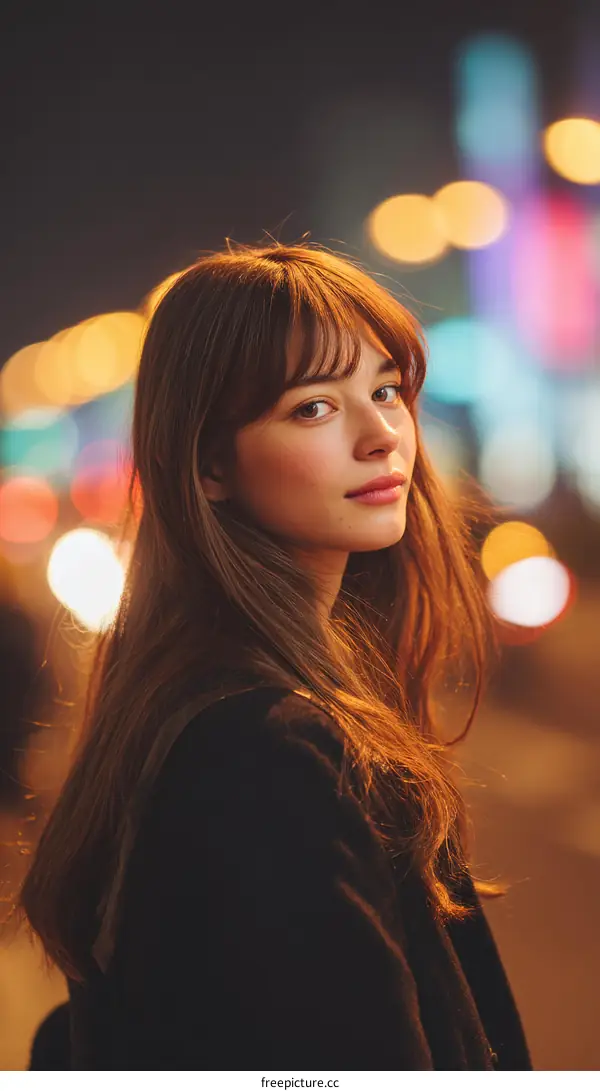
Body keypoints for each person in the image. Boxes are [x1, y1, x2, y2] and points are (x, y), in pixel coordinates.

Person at [20, 241, 532, 1071]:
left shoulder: (227, 699)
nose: (381, 437)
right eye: (312, 408)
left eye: (386, 390)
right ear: (209, 463)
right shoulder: (262, 749)